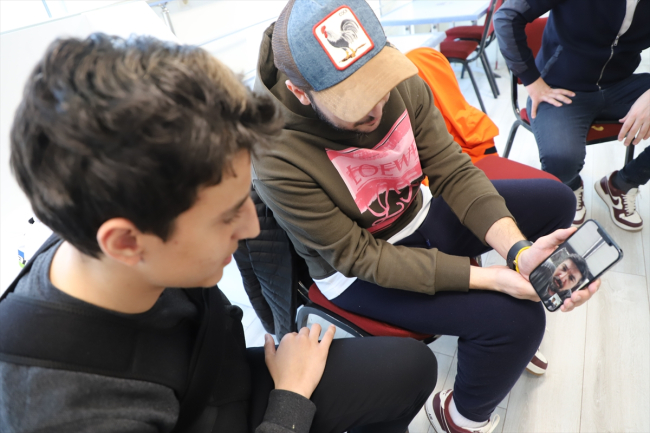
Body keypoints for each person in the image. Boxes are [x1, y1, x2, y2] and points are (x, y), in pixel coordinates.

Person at [0, 33, 439, 433]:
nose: (251, 226)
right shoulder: (71, 413)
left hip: (220, 383)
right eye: (226, 216)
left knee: (410, 368)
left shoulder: (108, 226)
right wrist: (289, 403)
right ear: (126, 242)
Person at [252, 1, 601, 432]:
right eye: (354, 100)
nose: (377, 106)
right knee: (519, 322)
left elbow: (452, 170)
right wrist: (489, 279)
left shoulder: (398, 81)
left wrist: (518, 253)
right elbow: (360, 257)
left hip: (417, 213)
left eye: (378, 83)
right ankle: (458, 418)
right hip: (357, 271)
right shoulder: (274, 154)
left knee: (556, 201)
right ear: (301, 92)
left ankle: (501, 323)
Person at [494, 0, 650, 231]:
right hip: (560, 88)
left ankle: (621, 185)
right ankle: (570, 185)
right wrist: (532, 81)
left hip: (621, 86)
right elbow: (506, 17)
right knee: (561, 159)